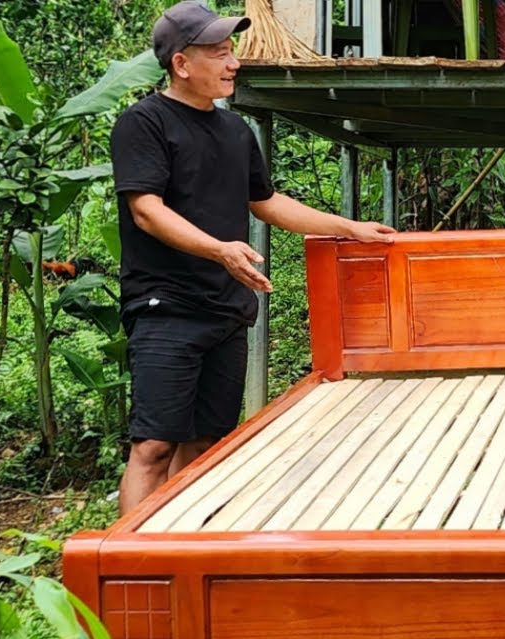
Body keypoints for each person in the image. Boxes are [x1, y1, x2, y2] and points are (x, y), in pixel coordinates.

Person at [110, 1, 394, 514]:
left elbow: (266, 201)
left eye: (231, 52)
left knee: (205, 445)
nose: (233, 63)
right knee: (154, 446)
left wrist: (348, 227)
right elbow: (147, 210)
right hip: (166, 309)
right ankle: (125, 578)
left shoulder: (235, 131)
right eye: (219, 54)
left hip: (226, 310)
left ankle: (175, 552)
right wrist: (219, 250)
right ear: (181, 64)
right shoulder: (144, 123)